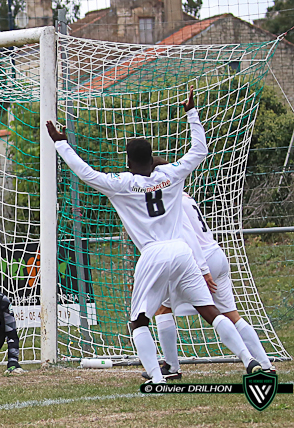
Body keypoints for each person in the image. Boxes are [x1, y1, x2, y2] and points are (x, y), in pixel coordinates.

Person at [45, 86, 261, 383]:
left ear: (128, 162)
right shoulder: (170, 174)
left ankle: (158, 379)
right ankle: (249, 360)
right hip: (182, 252)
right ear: (152, 158)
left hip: (153, 254)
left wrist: (61, 144)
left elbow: (86, 173)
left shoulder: (122, 183)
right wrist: (192, 113)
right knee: (211, 312)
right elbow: (199, 150)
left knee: (138, 321)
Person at [141, 163, 275, 380]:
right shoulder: (185, 196)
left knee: (163, 308)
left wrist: (202, 268)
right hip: (217, 254)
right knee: (231, 314)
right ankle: (265, 364)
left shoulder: (169, 200)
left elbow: (188, 236)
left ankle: (172, 367)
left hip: (198, 259)